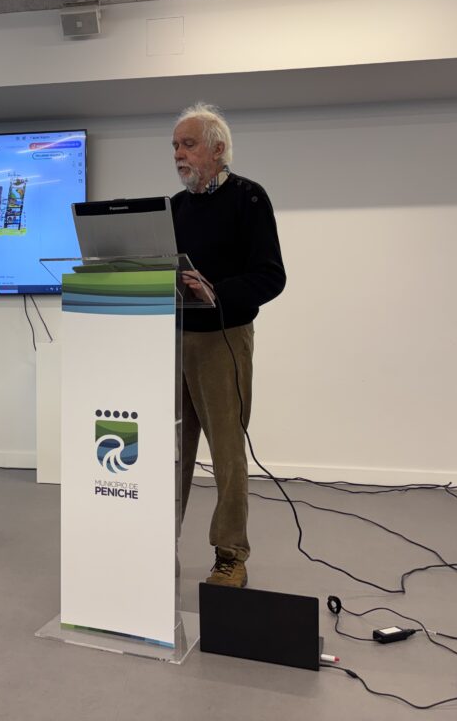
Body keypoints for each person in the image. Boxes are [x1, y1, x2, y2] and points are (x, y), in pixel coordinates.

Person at [171, 102, 286, 588]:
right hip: (172, 340)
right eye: (175, 146)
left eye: (188, 144)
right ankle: (158, 544)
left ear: (217, 149)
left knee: (226, 453)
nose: (179, 154)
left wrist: (215, 289)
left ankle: (230, 555)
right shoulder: (174, 208)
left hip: (223, 340)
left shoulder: (248, 198)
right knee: (170, 453)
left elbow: (271, 276)